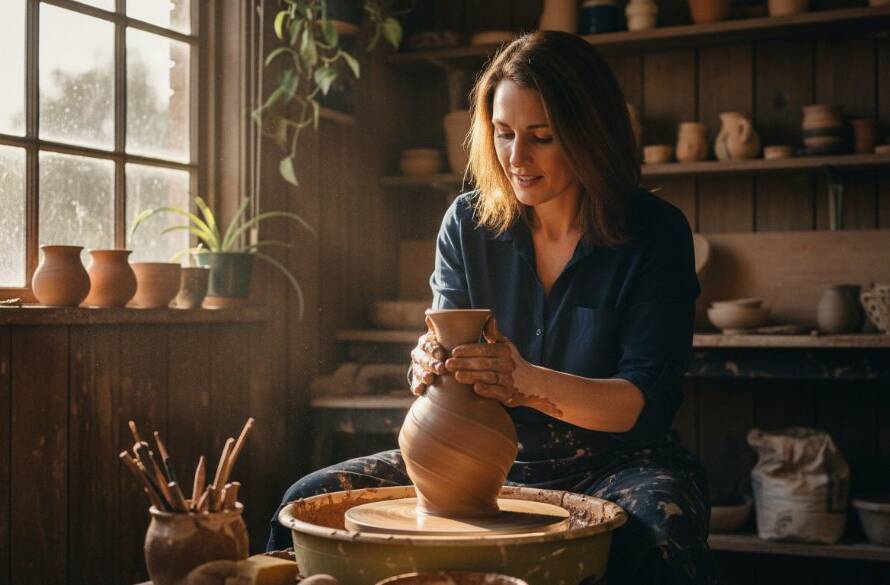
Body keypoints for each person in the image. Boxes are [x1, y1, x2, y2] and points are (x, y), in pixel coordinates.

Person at [268, 30, 721, 585]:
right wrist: (430, 366)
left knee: (660, 529)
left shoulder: (654, 233)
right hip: (481, 462)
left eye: (541, 137)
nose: (516, 158)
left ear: (590, 134)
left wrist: (525, 382)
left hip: (616, 463)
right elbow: (450, 365)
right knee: (305, 499)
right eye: (503, 134)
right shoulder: (469, 224)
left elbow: (641, 404)